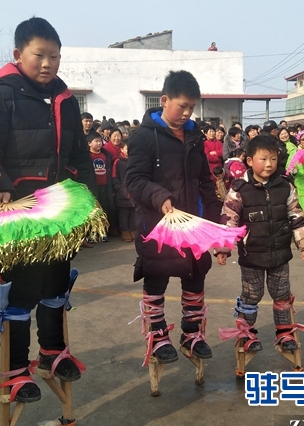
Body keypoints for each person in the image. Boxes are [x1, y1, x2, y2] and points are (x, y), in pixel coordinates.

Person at [0, 17, 96, 402]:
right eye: (39, 55)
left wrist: (89, 200)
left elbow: (79, 155)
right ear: (18, 54)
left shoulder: (66, 98)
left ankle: (52, 353)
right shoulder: (2, 93)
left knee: (56, 283)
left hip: (59, 211)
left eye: (54, 57)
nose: (47, 64)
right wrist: (2, 186)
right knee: (20, 291)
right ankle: (17, 370)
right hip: (17, 210)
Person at [126, 70, 222, 365]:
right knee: (156, 279)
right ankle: (157, 336)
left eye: (192, 107)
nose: (187, 113)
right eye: (182, 106)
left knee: (196, 276)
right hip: (157, 225)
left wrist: (215, 224)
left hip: (191, 225)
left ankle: (191, 334)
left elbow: (205, 181)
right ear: (165, 100)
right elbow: (134, 180)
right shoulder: (144, 137)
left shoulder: (194, 136)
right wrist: (160, 196)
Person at [215, 135, 304, 352]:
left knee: (282, 295)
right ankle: (247, 333)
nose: (269, 164)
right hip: (252, 257)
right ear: (249, 161)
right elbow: (228, 219)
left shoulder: (285, 186)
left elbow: (296, 214)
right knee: (251, 296)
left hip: (280, 254)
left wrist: (303, 242)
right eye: (263, 159)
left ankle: (285, 333)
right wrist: (223, 248)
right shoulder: (239, 190)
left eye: (273, 159)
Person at [88, 130, 115, 241]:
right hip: (93, 187)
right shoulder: (87, 156)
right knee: (93, 211)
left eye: (100, 141)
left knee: (104, 209)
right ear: (89, 143)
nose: (99, 144)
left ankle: (103, 232)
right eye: (96, 141)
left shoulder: (105, 155)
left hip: (105, 186)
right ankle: (93, 233)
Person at [112, 142, 135, 242]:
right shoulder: (118, 162)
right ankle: (125, 231)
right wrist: (120, 189)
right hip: (122, 192)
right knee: (124, 214)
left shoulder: (134, 161)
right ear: (121, 150)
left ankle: (132, 230)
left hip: (133, 191)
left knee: (133, 213)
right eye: (126, 149)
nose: (128, 151)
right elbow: (114, 177)